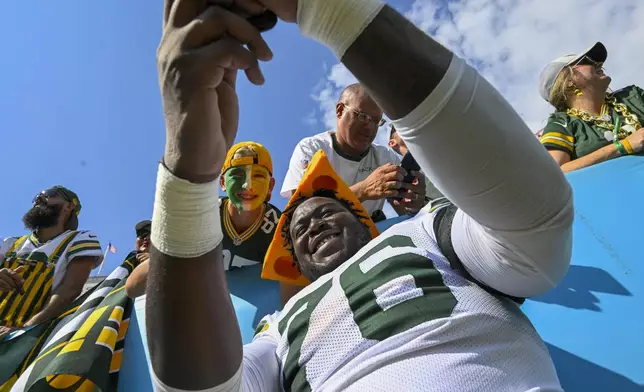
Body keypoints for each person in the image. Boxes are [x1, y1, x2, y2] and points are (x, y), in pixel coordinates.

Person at [148, 0, 573, 391]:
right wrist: (187, 174)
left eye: (326, 211)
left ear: (362, 221)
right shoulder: (278, 331)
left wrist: (328, 9)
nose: (310, 221)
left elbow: (536, 229)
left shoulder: (425, 236)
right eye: (296, 229)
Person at [281, 83, 426, 221]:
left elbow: (403, 210)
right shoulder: (311, 149)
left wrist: (413, 205)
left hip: (373, 233)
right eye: (362, 116)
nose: (370, 128)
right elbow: (301, 213)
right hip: (325, 238)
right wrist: (362, 190)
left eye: (376, 121)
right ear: (340, 110)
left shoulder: (385, 157)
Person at [0, 186, 102, 337]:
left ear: (69, 206)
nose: (39, 199)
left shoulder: (80, 240)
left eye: (49, 194)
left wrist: (25, 330)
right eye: (37, 196)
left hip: (29, 340)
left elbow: (70, 289)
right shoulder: (9, 243)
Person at [539, 42, 644, 172]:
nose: (598, 64)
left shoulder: (632, 96)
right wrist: (623, 146)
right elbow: (555, 172)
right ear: (568, 80)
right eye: (586, 61)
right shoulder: (561, 123)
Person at [389, 124, 443, 200]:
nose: (407, 127)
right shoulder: (403, 179)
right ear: (392, 143)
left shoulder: (437, 147)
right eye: (398, 128)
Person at [125, 220, 152, 298]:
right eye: (142, 235)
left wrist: (155, 259)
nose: (146, 238)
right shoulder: (126, 267)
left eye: (152, 235)